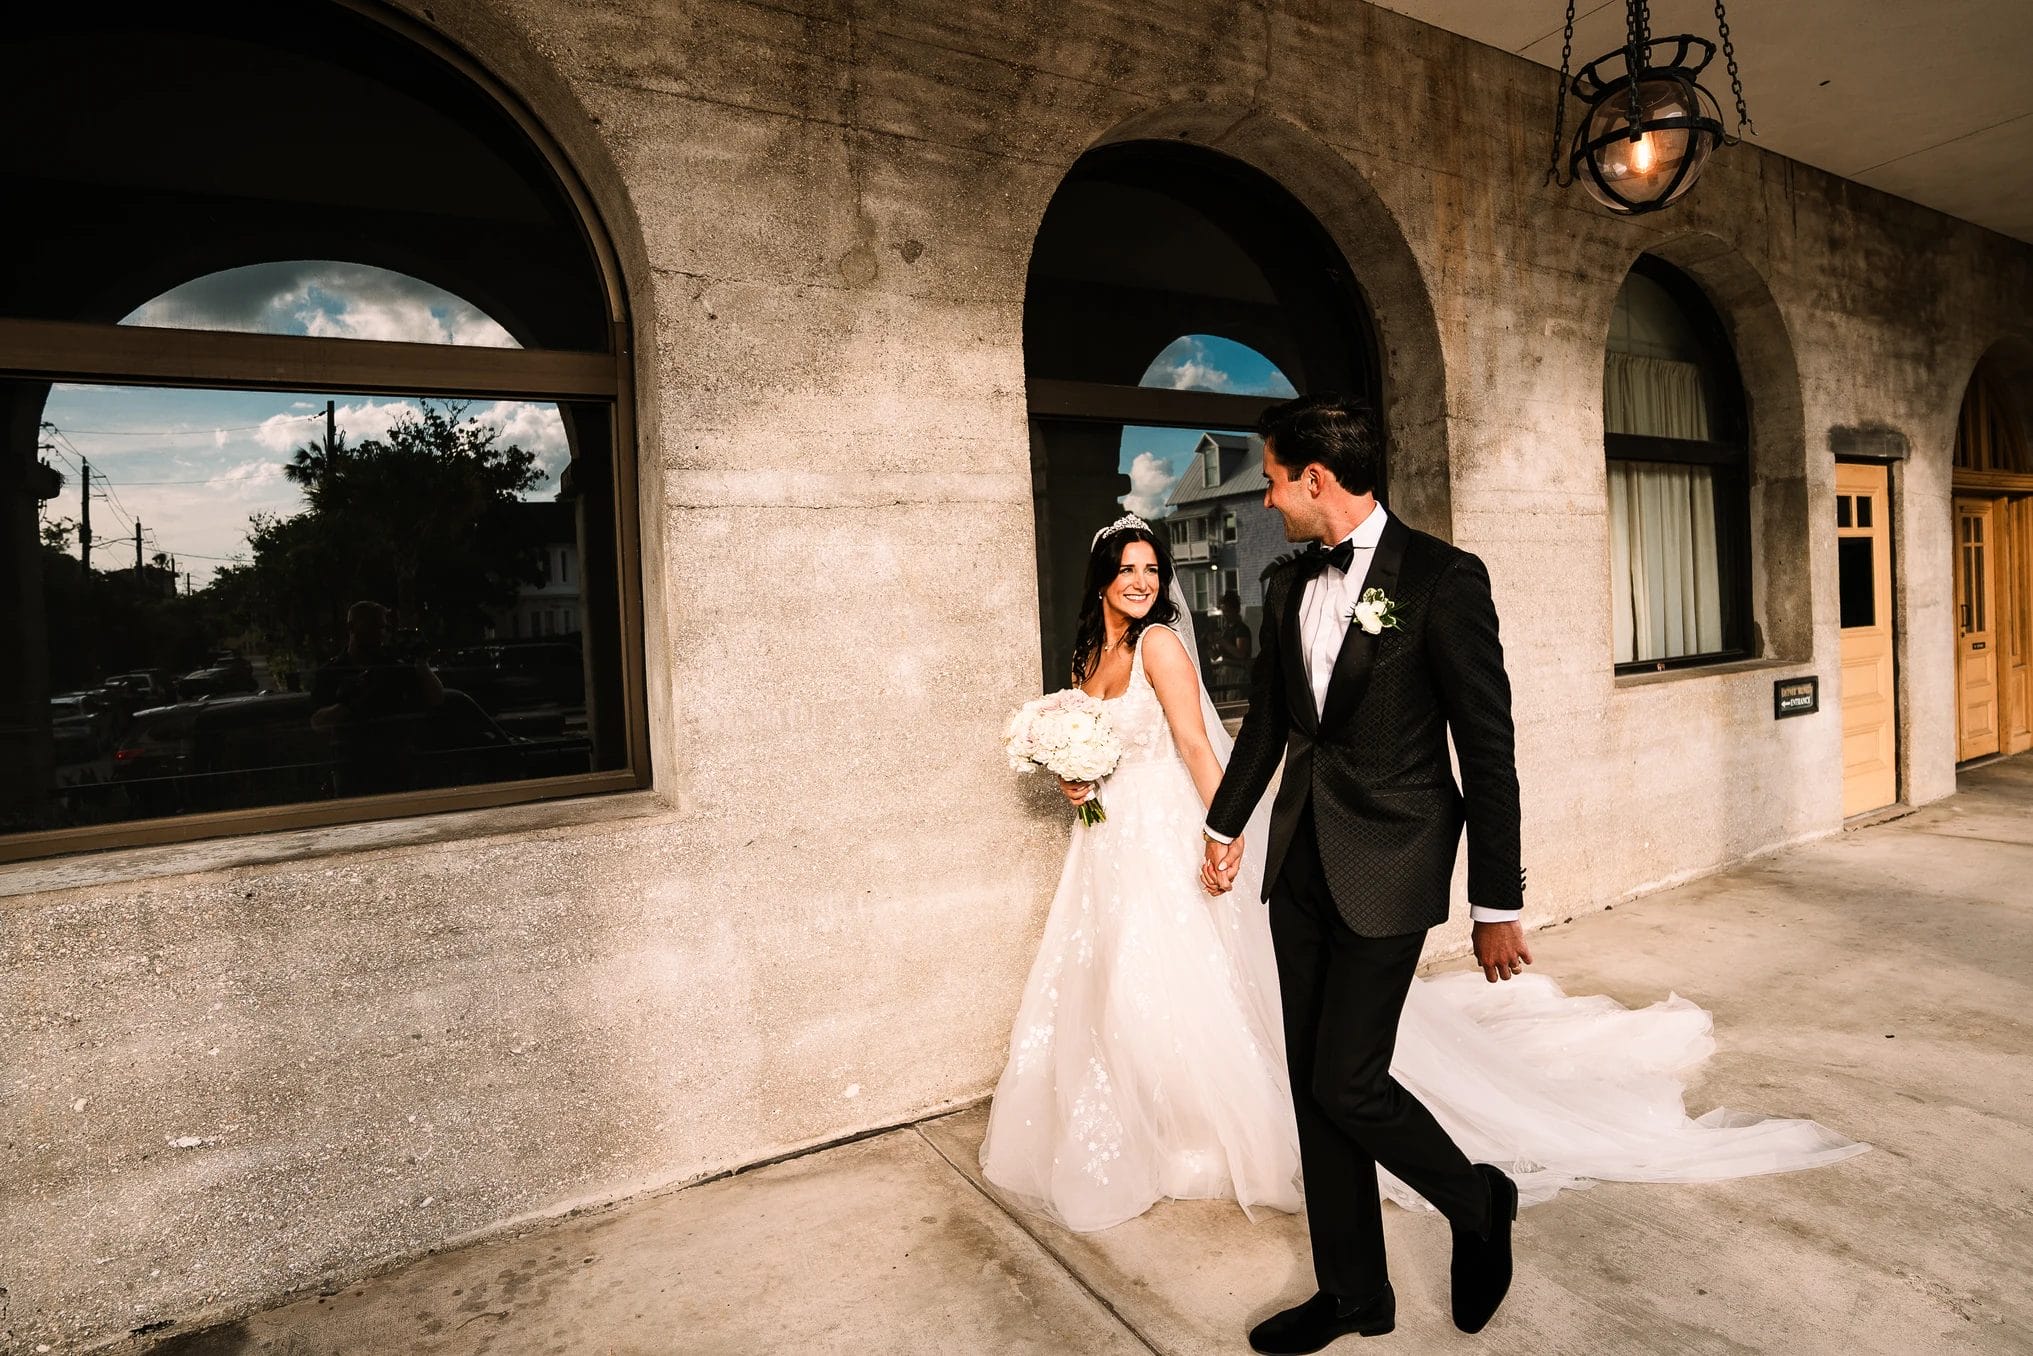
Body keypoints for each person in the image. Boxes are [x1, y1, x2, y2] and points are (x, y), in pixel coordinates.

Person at [981, 395, 1866, 1350]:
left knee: (1349, 1081)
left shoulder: (1443, 580)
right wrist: (1224, 828)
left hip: (1394, 865)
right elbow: (1272, 727)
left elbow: (1488, 751)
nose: (1268, 500)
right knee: (1310, 1087)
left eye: (1275, 481)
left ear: (1316, 477)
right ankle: (1353, 1293)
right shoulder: (1283, 584)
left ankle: (1475, 1197)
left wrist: (1497, 903)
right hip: (1298, 867)